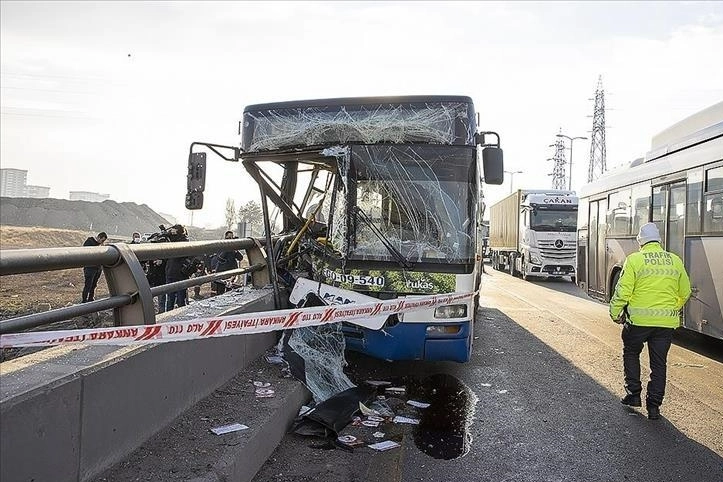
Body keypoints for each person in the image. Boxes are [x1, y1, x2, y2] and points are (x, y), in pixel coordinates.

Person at [609, 222, 691, 420]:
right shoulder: (675, 260)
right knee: (659, 364)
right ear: (659, 241)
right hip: (665, 325)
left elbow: (623, 291)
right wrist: (672, 308)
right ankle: (654, 407)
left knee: (631, 352)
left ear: (641, 242)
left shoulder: (635, 260)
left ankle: (633, 394)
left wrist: (615, 312)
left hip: (638, 322)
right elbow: (685, 291)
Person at [81, 232, 108, 303]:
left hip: (98, 268)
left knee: (94, 284)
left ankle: (91, 298)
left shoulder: (101, 245)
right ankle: (84, 300)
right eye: (102, 240)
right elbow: (84, 252)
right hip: (89, 267)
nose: (102, 242)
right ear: (99, 237)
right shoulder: (89, 242)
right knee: (88, 285)